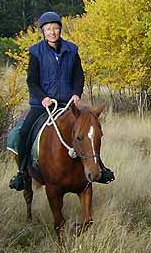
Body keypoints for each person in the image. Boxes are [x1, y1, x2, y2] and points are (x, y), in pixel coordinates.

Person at [9, 11, 115, 191]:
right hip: (42, 105)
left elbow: (78, 76)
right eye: (48, 29)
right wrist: (43, 98)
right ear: (43, 31)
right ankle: (22, 173)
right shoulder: (36, 51)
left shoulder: (72, 50)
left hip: (68, 104)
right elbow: (32, 81)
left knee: (89, 131)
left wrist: (76, 93)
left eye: (55, 28)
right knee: (24, 132)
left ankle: (100, 168)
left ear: (60, 30)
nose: (52, 32)